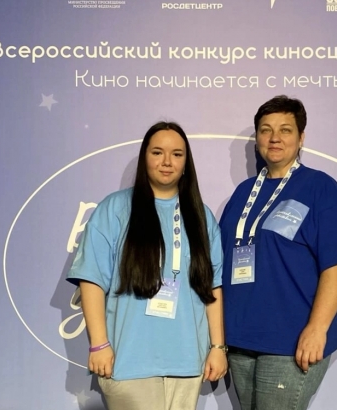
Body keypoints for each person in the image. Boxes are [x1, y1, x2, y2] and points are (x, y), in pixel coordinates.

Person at [66, 121, 227, 410]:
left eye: (177, 154)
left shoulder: (201, 217)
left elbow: (212, 287)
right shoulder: (114, 209)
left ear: (186, 163)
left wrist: (217, 347)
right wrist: (99, 344)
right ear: (145, 158)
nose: (167, 161)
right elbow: (92, 279)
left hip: (187, 363)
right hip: (129, 363)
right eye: (157, 152)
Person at [219, 96, 337, 410]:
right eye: (266, 130)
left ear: (301, 138)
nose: (274, 138)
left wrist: (317, 328)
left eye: (285, 130)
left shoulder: (320, 187)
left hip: (291, 341)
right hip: (240, 340)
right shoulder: (242, 193)